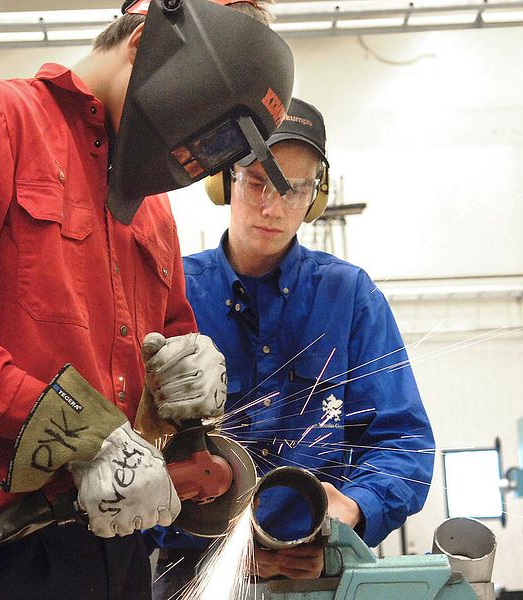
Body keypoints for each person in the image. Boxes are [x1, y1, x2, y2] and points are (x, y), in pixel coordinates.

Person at [0, 0, 294, 598]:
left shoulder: (150, 206)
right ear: (146, 44)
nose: (186, 155)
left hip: (111, 546)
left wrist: (186, 405)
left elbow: (166, 346)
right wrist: (78, 433)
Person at [149, 98, 435, 594]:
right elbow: (129, 453)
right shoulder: (172, 293)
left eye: (294, 189)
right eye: (258, 182)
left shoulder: (349, 298)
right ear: (224, 182)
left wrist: (355, 509)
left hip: (322, 574)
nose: (272, 206)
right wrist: (204, 531)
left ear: (314, 198)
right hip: (192, 572)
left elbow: (402, 441)